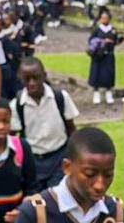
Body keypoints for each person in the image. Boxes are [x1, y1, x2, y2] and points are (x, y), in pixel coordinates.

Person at [9, 57, 77, 191]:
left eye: (36, 78)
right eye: (27, 79)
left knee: (59, 198)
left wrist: (73, 154)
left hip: (59, 156)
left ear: (44, 76)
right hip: (33, 160)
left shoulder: (60, 97)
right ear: (20, 79)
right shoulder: (16, 105)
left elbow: (71, 128)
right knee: (37, 200)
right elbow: (12, 138)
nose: (32, 83)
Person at [87, 8, 120, 105]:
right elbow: (91, 41)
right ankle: (96, 93)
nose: (104, 20)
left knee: (109, 74)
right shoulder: (97, 29)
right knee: (97, 73)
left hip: (109, 54)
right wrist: (102, 41)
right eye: (102, 18)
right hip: (98, 55)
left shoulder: (113, 30)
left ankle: (108, 92)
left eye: (105, 18)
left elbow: (115, 41)